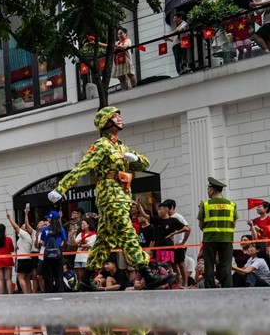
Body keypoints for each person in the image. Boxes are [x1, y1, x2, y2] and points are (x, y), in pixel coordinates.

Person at [48, 107, 175, 290]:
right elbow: (83, 167)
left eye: (119, 115)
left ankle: (86, 279)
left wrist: (135, 158)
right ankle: (148, 274)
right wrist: (61, 188)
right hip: (109, 195)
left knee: (104, 241)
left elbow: (145, 163)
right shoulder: (101, 145)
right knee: (127, 232)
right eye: (115, 116)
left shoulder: (121, 146)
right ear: (106, 122)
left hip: (122, 194)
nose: (120, 118)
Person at [197, 176, 237, 289]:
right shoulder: (231, 204)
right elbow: (233, 224)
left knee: (209, 265)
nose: (207, 192)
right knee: (226, 265)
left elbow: (201, 225)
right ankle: (228, 288)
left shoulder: (205, 205)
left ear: (212, 190)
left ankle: (209, 289)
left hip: (210, 239)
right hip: (227, 238)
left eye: (208, 190)